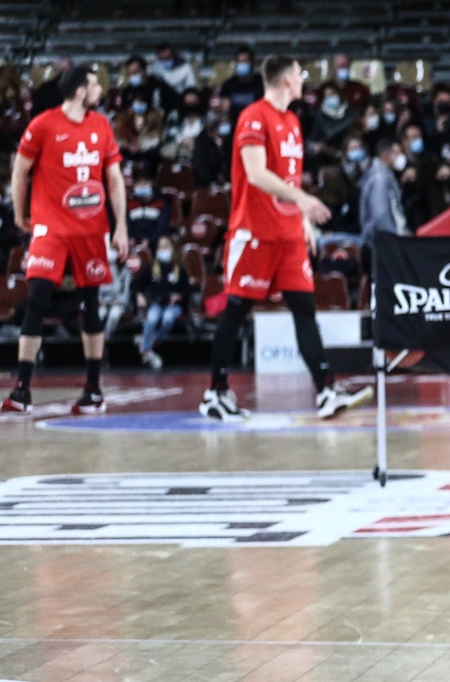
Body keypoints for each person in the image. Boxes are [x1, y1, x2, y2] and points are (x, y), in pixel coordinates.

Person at [200, 56, 370, 422]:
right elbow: (256, 174)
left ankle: (326, 389)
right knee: (237, 310)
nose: (303, 80)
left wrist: (302, 217)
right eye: (299, 74)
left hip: (288, 233)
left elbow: (288, 180)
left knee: (305, 309)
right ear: (285, 80)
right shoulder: (253, 117)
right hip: (254, 232)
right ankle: (215, 392)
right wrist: (304, 199)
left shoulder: (292, 122)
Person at [1, 64, 127, 415]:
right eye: (95, 84)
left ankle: (94, 389)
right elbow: (20, 170)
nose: (101, 89)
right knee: (37, 298)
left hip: (90, 228)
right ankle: (22, 389)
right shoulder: (43, 124)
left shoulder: (101, 125)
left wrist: (121, 226)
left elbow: (114, 177)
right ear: (80, 91)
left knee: (91, 303)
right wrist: (18, 211)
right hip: (51, 227)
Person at [136, 236, 192, 368]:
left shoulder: (180, 269)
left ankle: (149, 340)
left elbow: (187, 291)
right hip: (157, 304)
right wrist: (139, 295)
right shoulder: (153, 268)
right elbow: (137, 284)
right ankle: (146, 350)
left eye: (166, 247)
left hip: (173, 306)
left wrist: (179, 297)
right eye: (161, 247)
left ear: (172, 249)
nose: (163, 250)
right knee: (151, 318)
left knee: (167, 319)